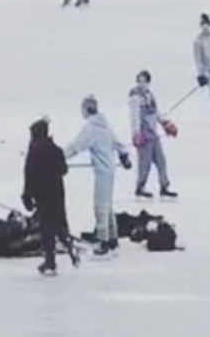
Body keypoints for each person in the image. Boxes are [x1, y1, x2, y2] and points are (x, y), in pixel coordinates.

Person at [62, 96, 132, 257]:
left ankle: (103, 240)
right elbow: (117, 143)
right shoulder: (104, 125)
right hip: (110, 170)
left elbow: (76, 146)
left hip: (102, 171)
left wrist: (59, 156)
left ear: (86, 110)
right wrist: (124, 156)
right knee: (107, 205)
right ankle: (112, 236)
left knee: (100, 205)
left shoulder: (91, 127)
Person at [22, 117, 78, 275]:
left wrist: (27, 195)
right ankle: (69, 247)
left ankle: (50, 262)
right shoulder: (56, 149)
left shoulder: (34, 150)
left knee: (46, 228)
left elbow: (29, 174)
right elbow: (64, 170)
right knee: (59, 223)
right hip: (57, 192)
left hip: (42, 194)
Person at [129, 70, 177, 198]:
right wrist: (136, 134)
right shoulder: (135, 97)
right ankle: (140, 186)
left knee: (161, 160)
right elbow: (134, 117)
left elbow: (156, 112)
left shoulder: (149, 95)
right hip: (144, 134)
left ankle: (164, 186)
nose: (141, 84)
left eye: (143, 81)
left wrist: (166, 123)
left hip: (153, 133)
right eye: (139, 81)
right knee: (145, 163)